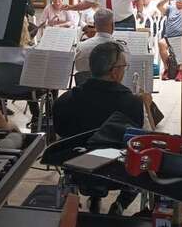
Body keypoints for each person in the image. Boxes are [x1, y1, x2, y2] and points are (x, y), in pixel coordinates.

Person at [53, 41, 144, 215]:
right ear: (114, 72)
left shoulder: (64, 101)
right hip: (118, 173)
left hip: (78, 170)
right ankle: (120, 204)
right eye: (124, 67)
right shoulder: (132, 103)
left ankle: (92, 198)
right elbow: (135, 140)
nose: (124, 70)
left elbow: (61, 133)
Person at [75, 8, 120, 73]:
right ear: (113, 25)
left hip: (85, 80)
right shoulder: (120, 49)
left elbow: (78, 69)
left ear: (94, 24)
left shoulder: (81, 46)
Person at [157, 0, 182, 81]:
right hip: (168, 37)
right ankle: (167, 69)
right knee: (161, 43)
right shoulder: (171, 8)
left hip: (180, 37)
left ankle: (181, 70)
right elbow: (159, 6)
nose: (180, 0)